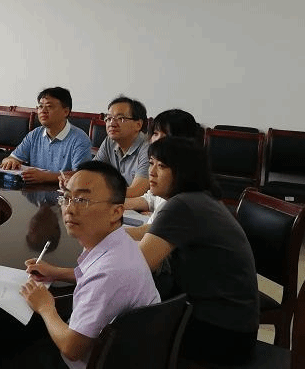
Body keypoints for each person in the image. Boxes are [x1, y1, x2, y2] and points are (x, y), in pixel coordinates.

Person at [16, 160, 160, 368]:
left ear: (116, 212)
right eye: (66, 198)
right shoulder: (118, 242)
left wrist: (45, 307)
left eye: (82, 200)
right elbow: (93, 275)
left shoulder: (108, 274)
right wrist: (56, 272)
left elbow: (71, 349)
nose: (69, 209)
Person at [137, 137, 258, 366]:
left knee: (121, 335)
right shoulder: (200, 198)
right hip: (234, 324)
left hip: (222, 335)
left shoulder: (181, 206)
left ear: (184, 172)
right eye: (151, 163)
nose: (151, 172)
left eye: (162, 166)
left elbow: (137, 266)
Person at [123, 109, 200, 241]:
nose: (157, 140)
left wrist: (107, 235)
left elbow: (156, 233)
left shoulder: (185, 197)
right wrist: (115, 204)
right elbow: (150, 199)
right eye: (155, 133)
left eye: (166, 135)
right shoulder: (167, 181)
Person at [0, 87, 92, 183]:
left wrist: (46, 177)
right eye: (40, 106)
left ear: (66, 111)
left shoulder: (80, 139)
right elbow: (12, 158)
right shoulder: (35, 134)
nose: (43, 111)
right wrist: (10, 161)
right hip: (34, 190)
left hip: (63, 191)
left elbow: (81, 175)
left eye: (49, 106)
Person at [93, 96, 149, 198]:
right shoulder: (110, 141)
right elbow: (91, 172)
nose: (112, 124)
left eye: (121, 118)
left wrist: (96, 193)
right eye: (109, 118)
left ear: (138, 125)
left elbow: (136, 191)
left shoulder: (148, 148)